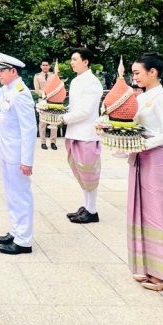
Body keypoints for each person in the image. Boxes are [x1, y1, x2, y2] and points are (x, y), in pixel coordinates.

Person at [128, 53, 163, 291]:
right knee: (141, 213)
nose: (135, 77)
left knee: (158, 215)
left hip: (156, 159)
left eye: (137, 72)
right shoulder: (143, 97)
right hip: (140, 158)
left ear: (153, 72)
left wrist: (142, 144)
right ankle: (148, 267)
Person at [0, 54, 37, 255]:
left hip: (17, 156)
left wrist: (27, 160)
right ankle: (16, 231)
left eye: (2, 71)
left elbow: (29, 129)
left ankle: (24, 241)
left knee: (21, 195)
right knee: (11, 194)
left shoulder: (21, 93)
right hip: (6, 152)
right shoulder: (8, 89)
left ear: (13, 71)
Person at [62, 48, 104, 224]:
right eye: (71, 59)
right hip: (74, 133)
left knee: (89, 174)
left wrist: (63, 118)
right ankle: (86, 207)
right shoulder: (76, 81)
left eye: (75, 59)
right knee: (80, 172)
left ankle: (92, 211)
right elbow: (75, 107)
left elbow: (86, 111)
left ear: (85, 62)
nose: (71, 62)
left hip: (86, 134)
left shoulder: (92, 83)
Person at [33, 61, 51, 150]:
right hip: (42, 100)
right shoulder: (37, 76)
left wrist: (51, 95)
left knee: (53, 122)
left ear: (49, 66)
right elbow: (37, 90)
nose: (45, 66)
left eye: (46, 65)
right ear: (41, 66)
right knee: (42, 122)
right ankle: (43, 143)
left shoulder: (53, 75)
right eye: (43, 65)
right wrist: (45, 95)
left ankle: (53, 142)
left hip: (53, 100)